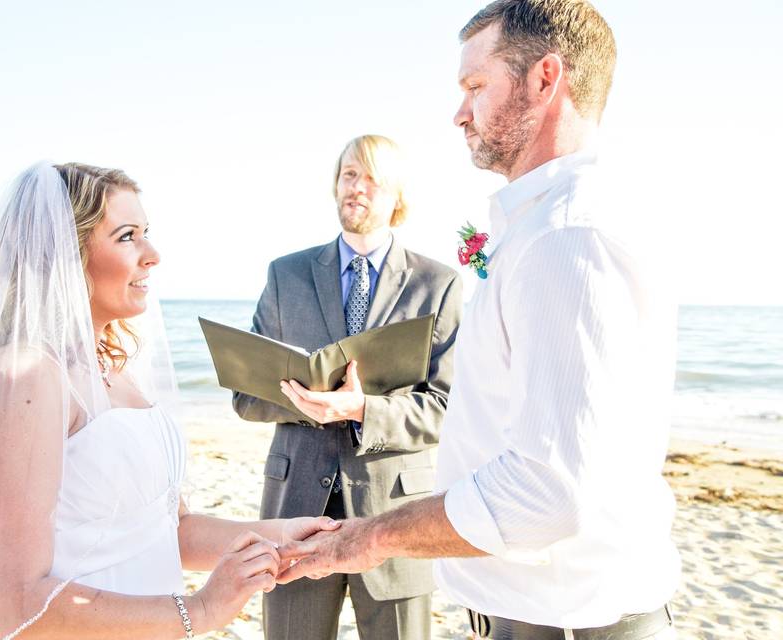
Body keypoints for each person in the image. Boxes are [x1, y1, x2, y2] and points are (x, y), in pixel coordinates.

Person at [278, 2, 680, 639]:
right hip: (534, 614)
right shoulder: (544, 227)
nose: (459, 112)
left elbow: (547, 492)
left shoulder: (566, 239)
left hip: (570, 623)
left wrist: (373, 537)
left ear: (545, 79)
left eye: (475, 86)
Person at [0, 163, 339, 639]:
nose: (153, 255)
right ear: (61, 254)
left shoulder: (114, 369)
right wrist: (202, 609)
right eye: (127, 236)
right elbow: (12, 605)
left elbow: (165, 528)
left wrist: (277, 536)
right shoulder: (21, 378)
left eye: (146, 233)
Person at [233, 134, 463, 640]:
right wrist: (309, 405)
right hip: (294, 510)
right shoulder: (285, 275)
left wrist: (362, 410)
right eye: (348, 175)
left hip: (396, 512)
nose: (356, 188)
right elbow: (244, 395)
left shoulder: (438, 283)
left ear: (398, 196)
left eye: (372, 178)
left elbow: (447, 409)